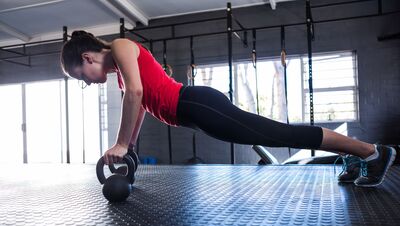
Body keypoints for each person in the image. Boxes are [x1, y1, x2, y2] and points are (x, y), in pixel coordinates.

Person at [60, 31, 396, 187]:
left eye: (81, 76)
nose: (87, 82)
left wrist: (119, 145)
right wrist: (129, 145)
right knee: (277, 134)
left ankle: (370, 152)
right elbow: (140, 103)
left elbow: (135, 93)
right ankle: (363, 154)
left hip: (196, 104)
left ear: (87, 58)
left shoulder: (119, 46)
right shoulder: (120, 71)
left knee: (279, 134)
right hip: (194, 111)